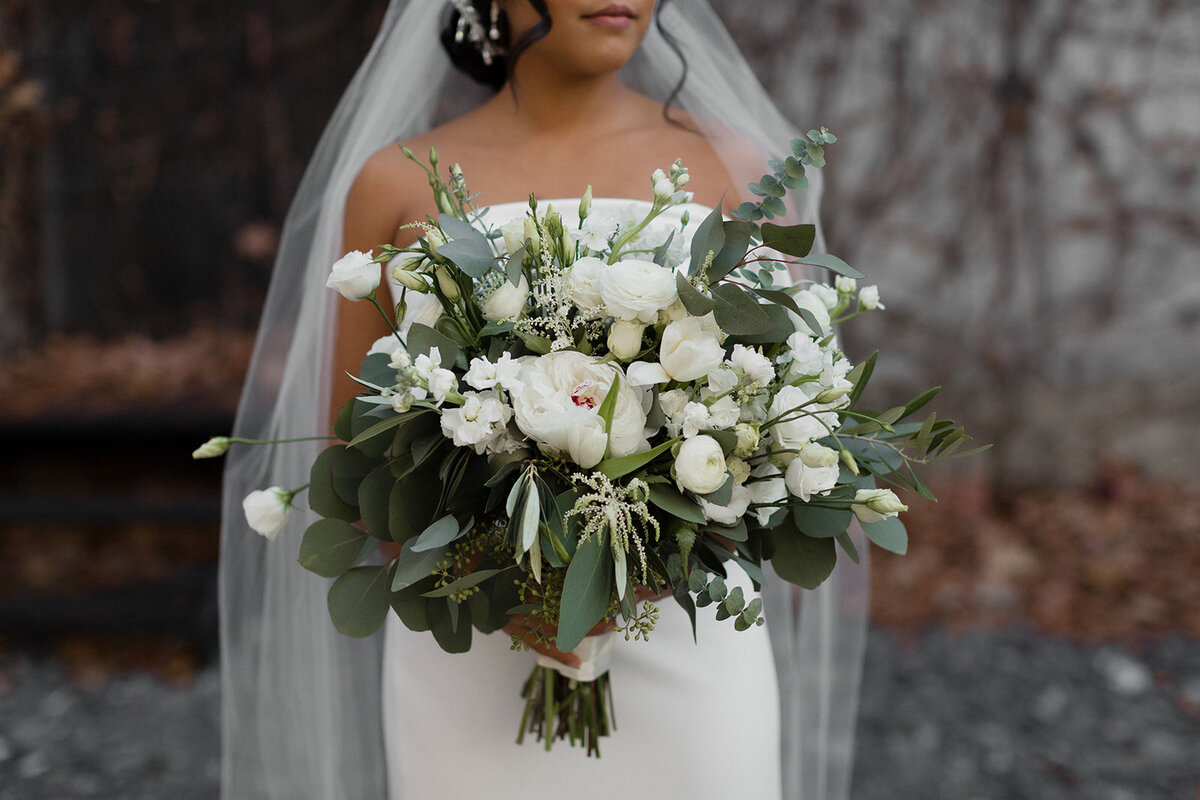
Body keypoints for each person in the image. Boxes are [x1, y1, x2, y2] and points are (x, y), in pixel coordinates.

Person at [218, 2, 870, 798]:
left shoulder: (733, 167)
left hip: (689, 639)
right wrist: (511, 585)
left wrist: (649, 562)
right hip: (474, 661)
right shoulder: (393, 184)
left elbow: (789, 421)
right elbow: (358, 467)